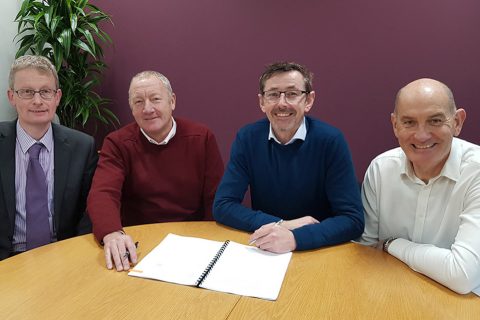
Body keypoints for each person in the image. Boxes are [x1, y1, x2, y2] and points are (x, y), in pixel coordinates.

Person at [213, 62, 364, 253]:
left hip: (319, 249)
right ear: (262, 102)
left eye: (292, 94)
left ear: (308, 100)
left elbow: (352, 219)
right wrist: (282, 224)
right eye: (273, 94)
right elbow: (223, 206)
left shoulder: (331, 141)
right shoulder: (247, 138)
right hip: (266, 247)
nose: (282, 103)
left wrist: (295, 238)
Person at [87, 71, 224, 271]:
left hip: (192, 241)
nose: (148, 109)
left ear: (172, 101)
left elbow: (216, 197)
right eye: (139, 102)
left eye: (155, 99)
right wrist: (112, 233)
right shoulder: (117, 143)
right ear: (132, 109)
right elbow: (103, 193)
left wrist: (209, 241)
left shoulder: (201, 137)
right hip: (139, 244)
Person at [359, 78, 480, 295]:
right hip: (392, 294)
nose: (422, 135)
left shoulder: (476, 171)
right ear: (395, 125)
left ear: (457, 122)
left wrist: (392, 244)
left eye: (435, 121)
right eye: (409, 122)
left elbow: (462, 275)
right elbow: (366, 251)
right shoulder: (380, 169)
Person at [0, 55, 98, 260]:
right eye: (27, 92)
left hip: (63, 257)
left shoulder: (82, 146)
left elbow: (89, 210)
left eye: (45, 92)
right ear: (11, 97)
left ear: (57, 97)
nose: (38, 101)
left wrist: (75, 256)